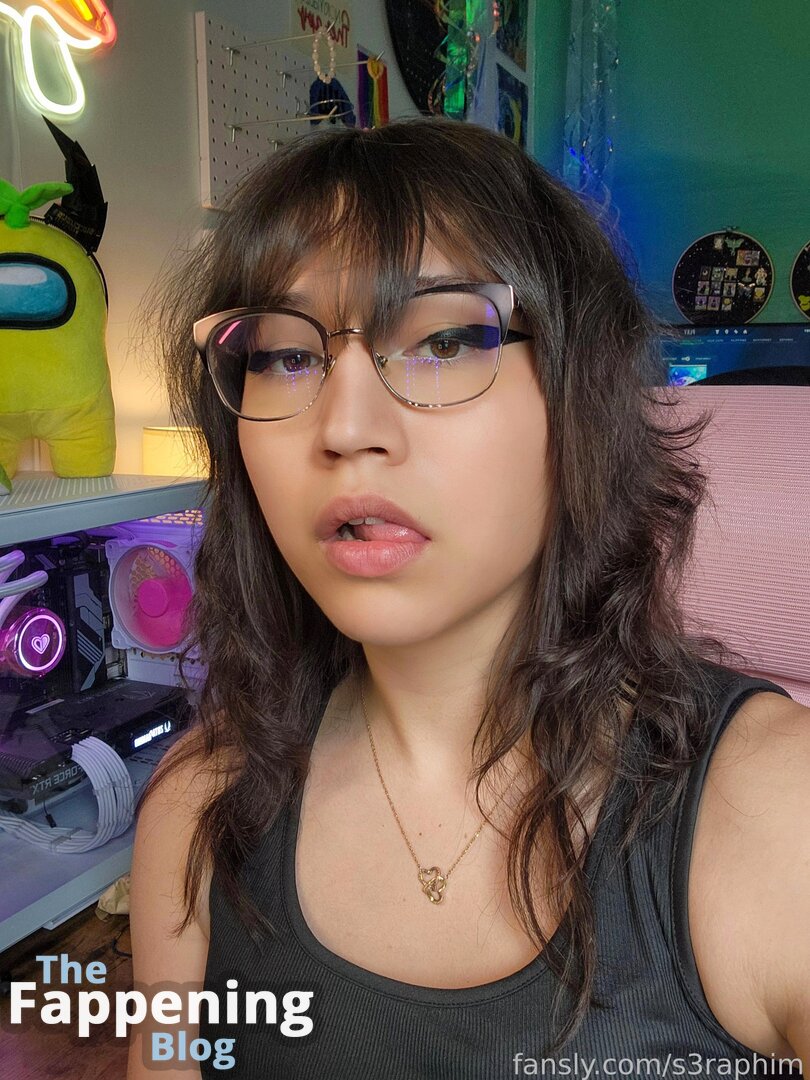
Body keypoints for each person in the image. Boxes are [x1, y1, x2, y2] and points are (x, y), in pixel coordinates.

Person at [126, 116, 809, 1079]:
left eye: (444, 339)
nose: (345, 427)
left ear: (578, 397)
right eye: (284, 356)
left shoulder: (777, 811)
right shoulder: (195, 810)